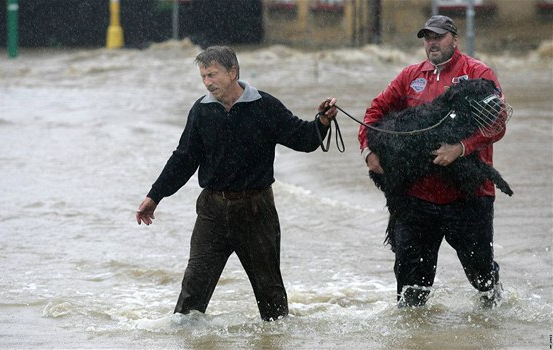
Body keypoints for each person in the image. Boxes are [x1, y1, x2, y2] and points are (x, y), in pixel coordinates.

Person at [136, 46, 338, 321]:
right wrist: (155, 196)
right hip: (212, 211)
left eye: (212, 74)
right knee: (192, 293)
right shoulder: (201, 111)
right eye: (203, 76)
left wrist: (323, 121)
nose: (208, 82)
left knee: (271, 299)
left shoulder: (264, 106)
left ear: (233, 72)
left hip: (257, 211)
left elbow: (302, 138)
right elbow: (183, 159)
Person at [357, 16, 506, 307]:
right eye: (427, 38)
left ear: (454, 39)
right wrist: (368, 151)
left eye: (438, 36)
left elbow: (497, 123)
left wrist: (461, 148)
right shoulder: (411, 76)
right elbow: (374, 112)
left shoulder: (478, 73)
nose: (432, 43)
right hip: (417, 199)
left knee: (482, 279)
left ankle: (493, 325)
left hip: (467, 197)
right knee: (411, 290)